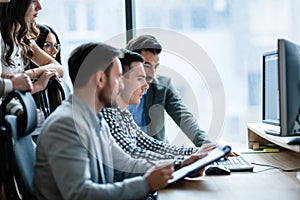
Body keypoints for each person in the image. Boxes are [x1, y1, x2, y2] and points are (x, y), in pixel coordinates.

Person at [34, 42, 207, 200]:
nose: (122, 85)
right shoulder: (67, 125)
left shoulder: (95, 119)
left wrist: (179, 167)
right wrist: (146, 184)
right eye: (118, 77)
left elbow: (126, 164)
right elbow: (81, 195)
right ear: (100, 79)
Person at [102, 50, 214, 162]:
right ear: (120, 79)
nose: (146, 86)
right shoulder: (107, 115)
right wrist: (181, 162)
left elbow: (153, 146)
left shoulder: (123, 113)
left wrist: (199, 152)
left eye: (155, 67)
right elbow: (133, 153)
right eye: (140, 79)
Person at [126, 35, 210, 147]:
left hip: (159, 154)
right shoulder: (115, 92)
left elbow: (185, 118)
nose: (152, 74)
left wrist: (207, 146)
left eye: (155, 67)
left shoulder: (163, 86)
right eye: (146, 65)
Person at [0, 0, 63, 114]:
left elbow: (58, 68)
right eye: (33, 1)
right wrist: (36, 86)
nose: (39, 7)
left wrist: (26, 75)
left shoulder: (22, 38)